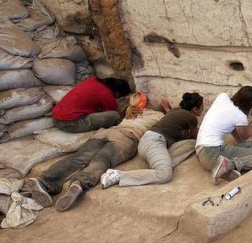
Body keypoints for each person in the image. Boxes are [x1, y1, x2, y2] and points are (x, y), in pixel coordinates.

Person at [20, 93, 189, 212]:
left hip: (106, 131)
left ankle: (44, 182)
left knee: (79, 158)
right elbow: (171, 120)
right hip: (126, 137)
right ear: (148, 104)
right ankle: (78, 183)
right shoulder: (157, 115)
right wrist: (167, 108)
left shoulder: (129, 114)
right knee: (101, 160)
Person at [100, 92, 203, 188]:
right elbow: (196, 134)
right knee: (164, 175)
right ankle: (118, 176)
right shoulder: (190, 117)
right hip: (154, 142)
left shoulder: (176, 110)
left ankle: (164, 163)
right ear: (195, 109)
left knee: (191, 144)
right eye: (202, 107)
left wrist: (167, 109)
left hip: (148, 142)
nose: (203, 109)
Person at [196, 86, 252, 184]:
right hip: (212, 152)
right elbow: (245, 135)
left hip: (200, 151)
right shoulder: (240, 116)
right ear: (251, 105)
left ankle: (223, 169)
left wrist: (239, 142)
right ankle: (228, 165)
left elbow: (230, 124)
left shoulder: (222, 97)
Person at [52, 76, 131, 133]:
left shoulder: (92, 80)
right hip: (70, 124)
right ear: (117, 93)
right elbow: (110, 112)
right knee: (115, 115)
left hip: (56, 118)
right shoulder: (106, 94)